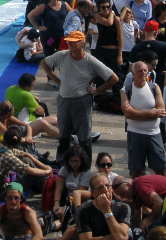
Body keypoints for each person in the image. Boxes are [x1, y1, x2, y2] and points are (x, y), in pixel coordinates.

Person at [43, 30, 119, 162]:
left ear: (82, 44)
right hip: (64, 100)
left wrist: (98, 91)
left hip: (82, 100)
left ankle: (85, 164)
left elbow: (113, 78)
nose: (70, 45)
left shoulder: (90, 60)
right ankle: (62, 163)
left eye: (73, 43)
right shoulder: (62, 55)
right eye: (69, 43)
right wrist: (56, 80)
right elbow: (44, 63)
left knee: (84, 136)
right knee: (64, 135)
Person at [47, 173, 130, 240]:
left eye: (107, 186)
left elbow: (121, 236)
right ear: (93, 193)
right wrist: (114, 237)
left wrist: (107, 211)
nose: (105, 190)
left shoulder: (123, 208)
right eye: (100, 188)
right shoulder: (84, 211)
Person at [121, 60, 166, 177]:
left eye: (145, 70)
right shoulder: (125, 91)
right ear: (133, 73)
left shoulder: (155, 87)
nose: (143, 73)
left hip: (154, 134)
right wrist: (152, 113)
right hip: (135, 134)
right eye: (139, 71)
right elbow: (128, 114)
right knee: (136, 171)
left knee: (160, 169)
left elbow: (161, 111)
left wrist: (136, 113)